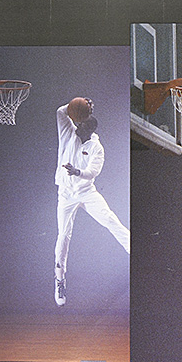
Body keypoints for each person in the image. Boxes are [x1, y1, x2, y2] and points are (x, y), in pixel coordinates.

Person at [54, 98, 131, 306]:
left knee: (110, 219)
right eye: (78, 123)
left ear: (89, 130)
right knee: (64, 235)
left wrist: (77, 171)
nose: (77, 128)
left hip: (87, 193)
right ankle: (59, 278)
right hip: (66, 195)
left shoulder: (97, 147)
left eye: (81, 126)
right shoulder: (68, 132)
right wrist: (79, 103)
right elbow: (61, 112)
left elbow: (93, 172)